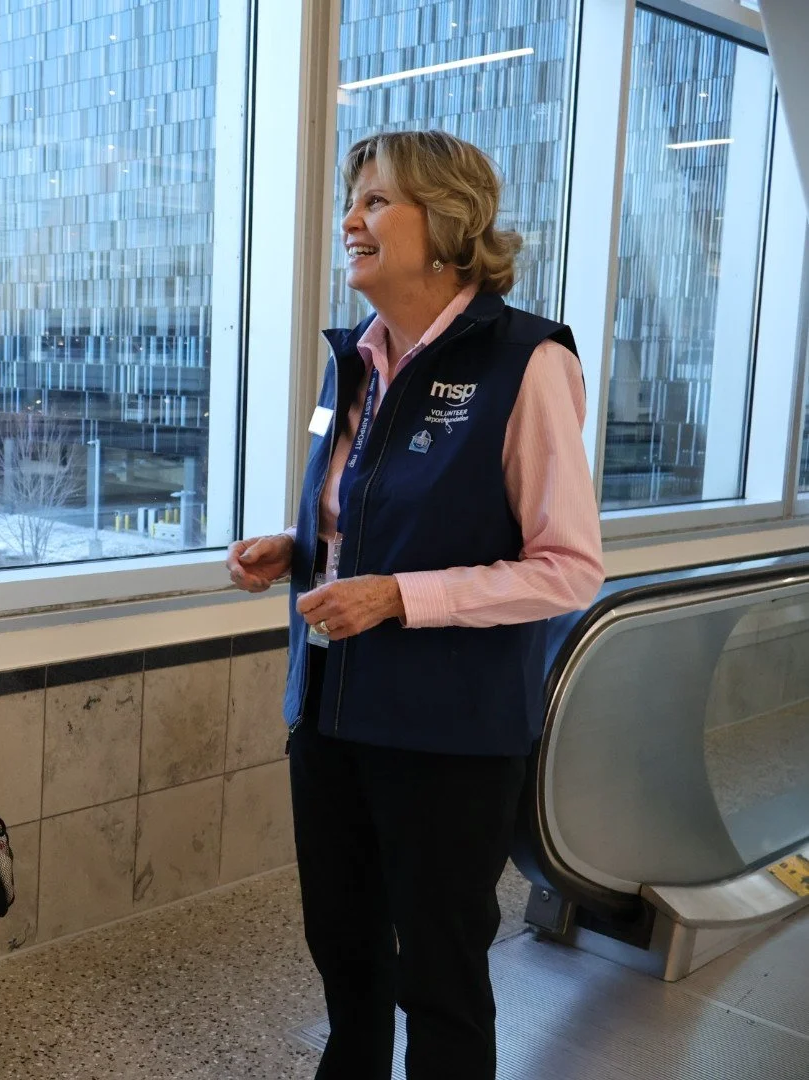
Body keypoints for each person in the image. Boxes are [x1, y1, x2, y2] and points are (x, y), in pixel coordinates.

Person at [226, 130, 603, 1079]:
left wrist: (398, 597)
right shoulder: (354, 359)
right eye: (352, 200)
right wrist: (299, 548)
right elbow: (369, 517)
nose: (350, 220)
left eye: (376, 200)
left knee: (439, 976)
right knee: (344, 956)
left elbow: (568, 568)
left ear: (447, 224)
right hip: (330, 719)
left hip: (452, 739)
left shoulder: (528, 362)